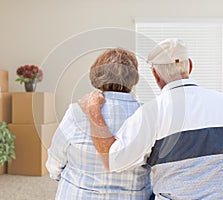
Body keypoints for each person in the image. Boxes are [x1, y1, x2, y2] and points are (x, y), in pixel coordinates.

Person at [81, 39, 223, 200]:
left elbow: (113, 160)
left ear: (155, 74)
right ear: (190, 66)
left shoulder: (151, 112)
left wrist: (93, 112)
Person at [46, 48, 152, 199]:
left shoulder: (76, 111)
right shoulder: (147, 115)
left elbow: (56, 159)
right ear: (133, 77)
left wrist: (58, 176)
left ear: (97, 75)